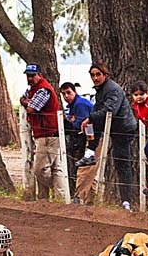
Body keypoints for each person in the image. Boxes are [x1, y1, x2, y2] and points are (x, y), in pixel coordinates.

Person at [82, 62, 138, 211]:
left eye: (98, 74)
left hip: (122, 129)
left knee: (122, 163)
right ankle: (90, 151)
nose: (95, 78)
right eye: (92, 75)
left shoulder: (112, 89)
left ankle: (127, 201)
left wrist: (90, 118)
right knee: (92, 125)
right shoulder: (100, 90)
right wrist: (90, 119)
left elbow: (109, 110)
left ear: (105, 75)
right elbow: (99, 111)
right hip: (111, 126)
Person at [20, 63, 67, 201]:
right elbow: (22, 98)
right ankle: (58, 198)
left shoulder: (43, 90)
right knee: (55, 168)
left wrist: (26, 102)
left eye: (32, 75)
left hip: (47, 133)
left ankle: (54, 191)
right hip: (45, 132)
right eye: (28, 75)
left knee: (39, 169)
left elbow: (31, 109)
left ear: (39, 75)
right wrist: (26, 101)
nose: (30, 78)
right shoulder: (33, 88)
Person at [59, 81, 94, 202]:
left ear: (75, 92)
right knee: (88, 169)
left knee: (84, 168)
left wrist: (72, 122)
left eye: (68, 93)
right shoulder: (73, 106)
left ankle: (79, 196)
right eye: (63, 94)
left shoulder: (80, 104)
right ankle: (89, 198)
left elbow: (82, 126)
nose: (66, 96)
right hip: (85, 139)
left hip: (90, 139)